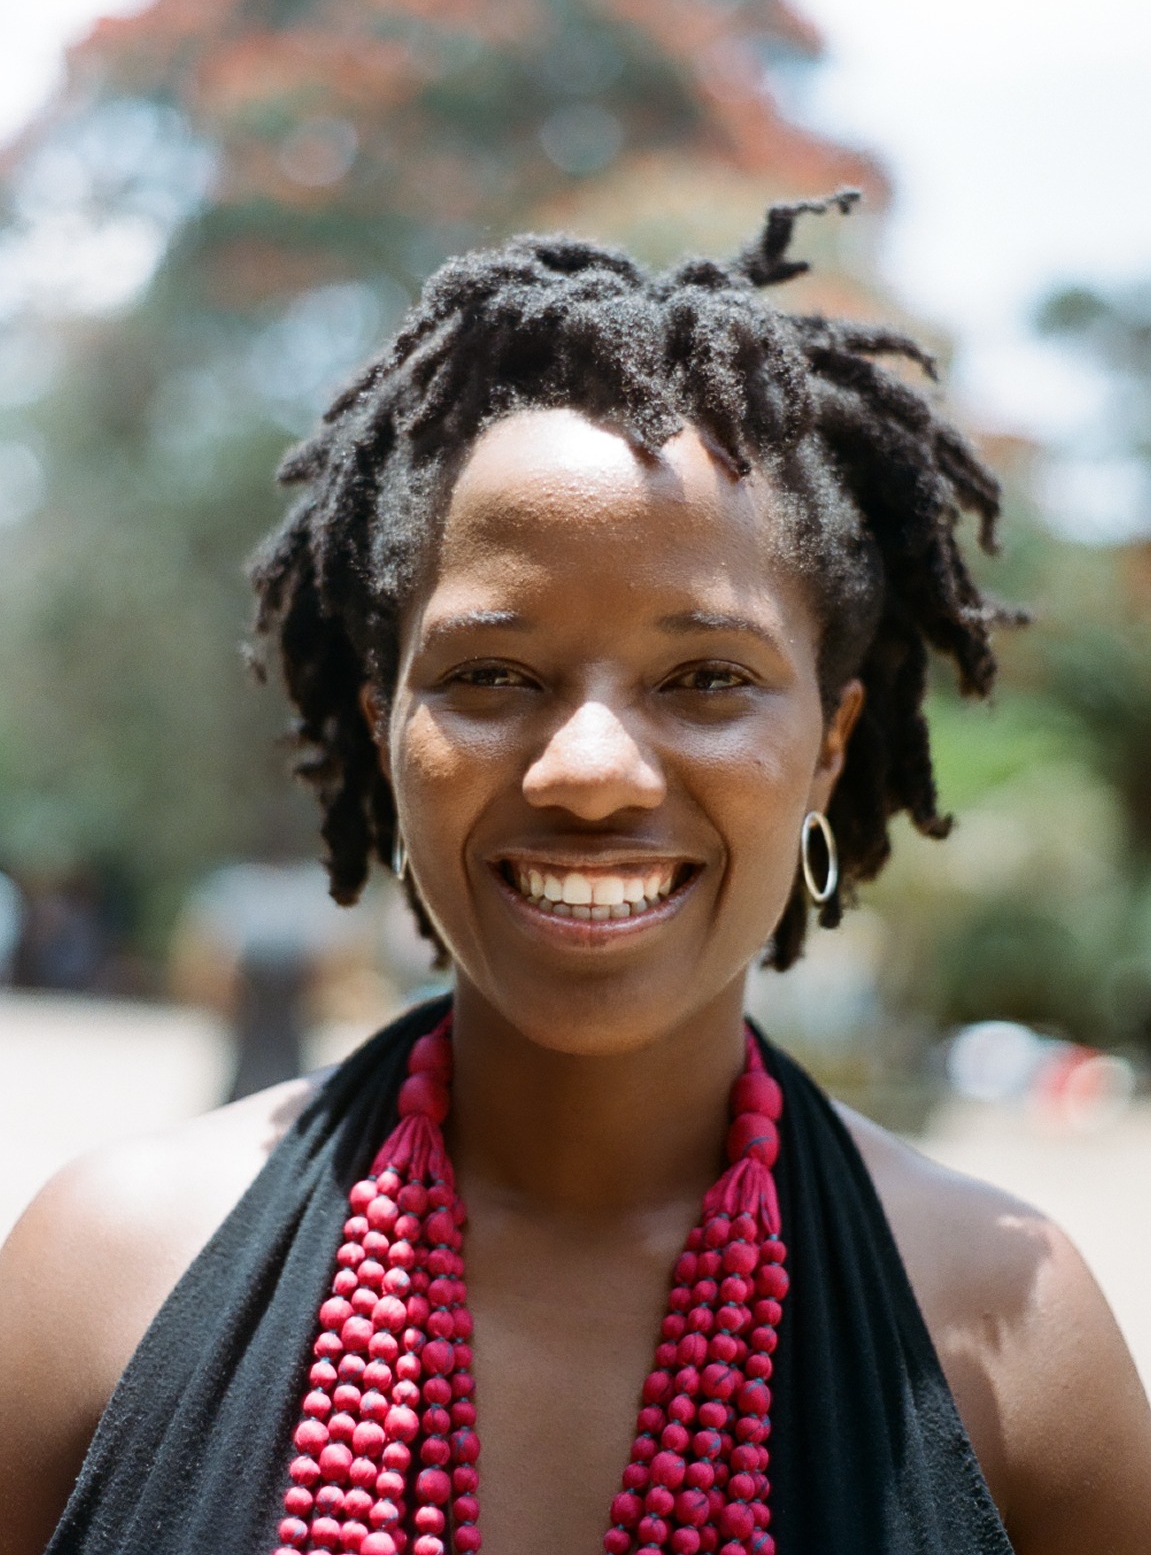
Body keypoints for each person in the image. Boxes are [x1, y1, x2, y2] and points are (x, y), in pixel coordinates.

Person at [1, 197, 1149, 1555]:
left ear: (829, 750)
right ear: (386, 729)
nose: (591, 769)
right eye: (493, 675)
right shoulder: (103, 1280)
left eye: (707, 678)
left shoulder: (1016, 1357)